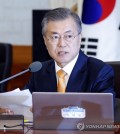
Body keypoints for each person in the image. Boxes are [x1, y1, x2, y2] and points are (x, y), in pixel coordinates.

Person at [24, 7, 115, 99]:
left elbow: (104, 109)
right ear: (45, 41)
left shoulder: (99, 71)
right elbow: (24, 104)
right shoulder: (39, 72)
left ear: (80, 38)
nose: (62, 44)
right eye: (55, 37)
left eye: (68, 36)